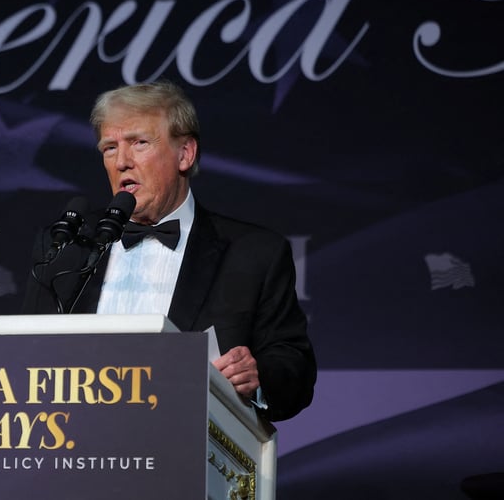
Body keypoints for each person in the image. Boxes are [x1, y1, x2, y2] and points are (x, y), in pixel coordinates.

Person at [23, 81, 316, 422]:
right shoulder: (67, 247)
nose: (121, 162)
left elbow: (294, 366)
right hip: (75, 450)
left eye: (140, 143)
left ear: (185, 154)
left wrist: (257, 375)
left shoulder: (253, 253)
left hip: (188, 451)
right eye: (109, 148)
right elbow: (24, 358)